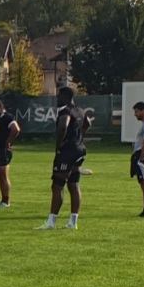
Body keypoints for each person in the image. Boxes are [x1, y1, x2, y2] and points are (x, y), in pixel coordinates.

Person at [35, 87, 90, 230]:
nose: (57, 99)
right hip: (79, 149)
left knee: (57, 185)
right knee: (74, 184)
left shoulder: (65, 111)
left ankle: (51, 222)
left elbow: (62, 127)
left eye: (59, 96)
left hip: (68, 150)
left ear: (66, 96)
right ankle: (73, 222)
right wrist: (80, 137)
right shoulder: (80, 110)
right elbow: (87, 123)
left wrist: (58, 146)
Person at [0, 100, 20, 207]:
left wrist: (8, 141)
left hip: (3, 150)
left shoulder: (7, 117)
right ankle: (3, 199)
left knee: (3, 176)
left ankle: (6, 201)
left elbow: (16, 129)